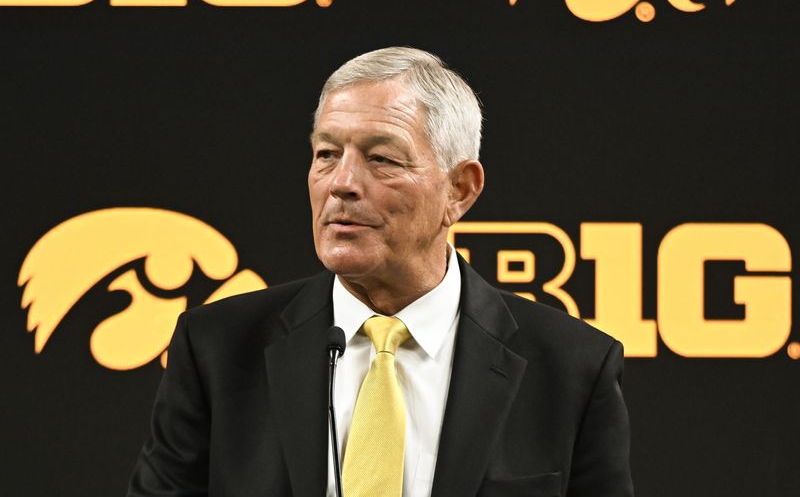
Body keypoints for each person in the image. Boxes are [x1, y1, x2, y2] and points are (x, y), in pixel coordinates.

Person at [127, 47, 634, 497]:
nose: (341, 183)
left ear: (459, 190)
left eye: (381, 158)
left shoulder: (571, 369)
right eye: (326, 154)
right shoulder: (217, 348)